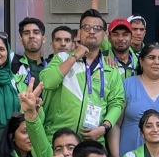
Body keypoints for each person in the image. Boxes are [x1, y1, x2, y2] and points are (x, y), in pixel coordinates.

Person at [41, 9, 122, 143]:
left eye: (97, 28)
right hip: (59, 141)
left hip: (93, 142)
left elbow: (117, 103)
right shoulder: (62, 58)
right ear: (79, 32)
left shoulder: (111, 69)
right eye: (86, 27)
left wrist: (104, 127)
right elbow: (48, 82)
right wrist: (75, 56)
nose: (91, 31)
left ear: (104, 35)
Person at [11, 16, 49, 82]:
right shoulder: (12, 63)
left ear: (44, 39)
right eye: (26, 33)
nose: (31, 36)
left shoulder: (51, 66)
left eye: (36, 32)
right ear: (20, 40)